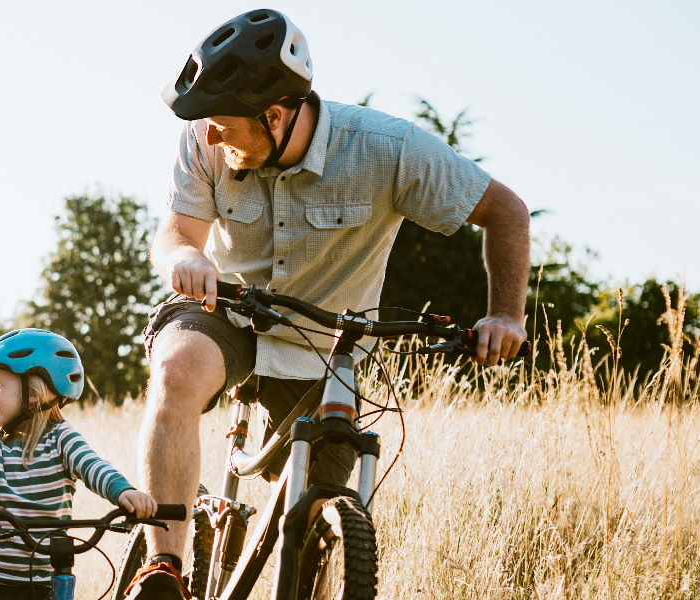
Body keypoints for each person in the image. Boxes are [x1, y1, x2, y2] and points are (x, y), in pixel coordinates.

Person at [126, 8, 531, 599]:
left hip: (326, 343)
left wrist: (506, 314)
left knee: (314, 513)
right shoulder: (204, 137)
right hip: (231, 312)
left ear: (275, 114)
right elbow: (177, 234)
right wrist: (184, 258)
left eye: (222, 124)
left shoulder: (387, 149)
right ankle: (163, 570)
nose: (209, 134)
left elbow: (506, 212)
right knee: (177, 365)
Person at [0, 329, 156, 600]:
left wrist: (123, 492)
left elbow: (92, 466)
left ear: (33, 394)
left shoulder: (62, 439)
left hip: (43, 582)